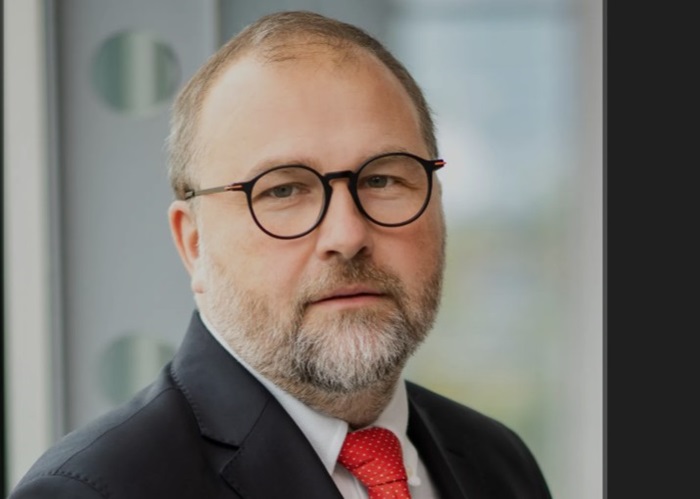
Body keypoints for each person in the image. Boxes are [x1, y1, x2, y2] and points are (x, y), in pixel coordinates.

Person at [9, 10, 552, 499]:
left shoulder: (498, 462)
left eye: (383, 179)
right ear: (193, 244)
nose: (347, 234)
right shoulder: (91, 491)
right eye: (283, 190)